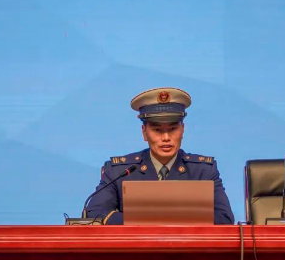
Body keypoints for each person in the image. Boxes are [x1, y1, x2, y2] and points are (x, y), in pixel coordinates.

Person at [85, 87, 235, 225]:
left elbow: (224, 218)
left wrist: (147, 218)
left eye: (173, 129)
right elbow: (94, 214)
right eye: (157, 130)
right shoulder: (120, 171)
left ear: (182, 130)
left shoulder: (203, 171)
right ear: (144, 132)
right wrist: (161, 219)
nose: (166, 138)